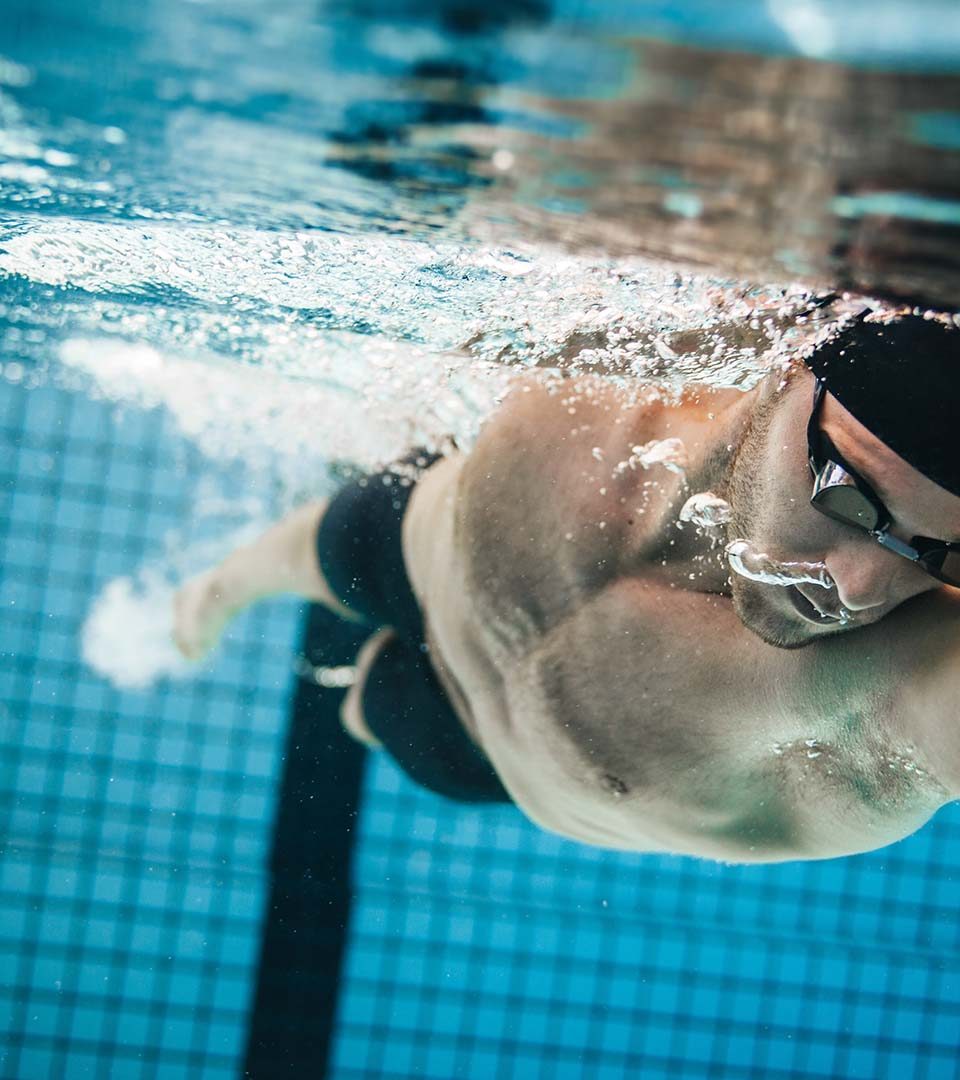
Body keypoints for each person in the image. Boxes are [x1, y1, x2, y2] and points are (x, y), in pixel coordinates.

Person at [173, 311, 960, 863]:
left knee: (364, 708)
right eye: (850, 496)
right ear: (788, 373)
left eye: (941, 553)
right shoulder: (650, 334)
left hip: (475, 753)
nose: (858, 588)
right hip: (417, 546)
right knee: (285, 561)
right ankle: (210, 599)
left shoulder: (908, 680)